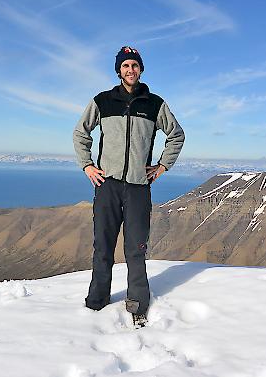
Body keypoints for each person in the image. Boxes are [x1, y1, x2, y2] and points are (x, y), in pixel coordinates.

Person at [73, 46, 185, 327]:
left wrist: (162, 165)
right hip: (107, 185)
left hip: (138, 186)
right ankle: (97, 302)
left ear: (141, 69)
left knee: (136, 248)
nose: (130, 70)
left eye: (134, 65)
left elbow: (177, 135)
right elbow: (80, 132)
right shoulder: (102, 101)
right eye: (125, 66)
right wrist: (87, 165)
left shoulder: (154, 104)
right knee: (103, 246)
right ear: (118, 70)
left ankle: (137, 303)